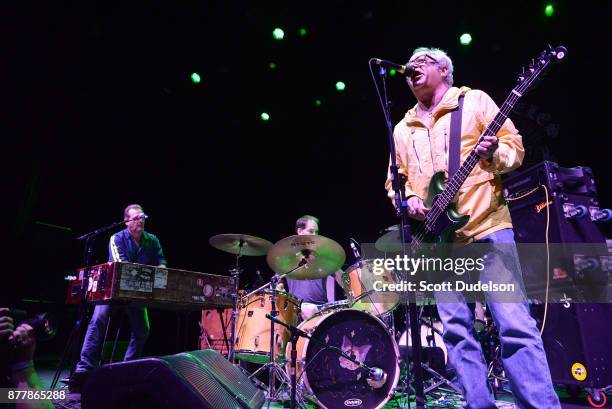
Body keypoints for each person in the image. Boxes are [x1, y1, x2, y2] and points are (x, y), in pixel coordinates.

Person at [385, 47, 560, 408]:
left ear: (444, 69)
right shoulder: (402, 128)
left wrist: (493, 151)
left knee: (515, 326)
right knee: (456, 334)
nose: (413, 66)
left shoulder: (475, 101)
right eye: (410, 63)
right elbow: (394, 179)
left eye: (423, 61)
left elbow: (515, 149)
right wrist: (408, 200)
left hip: (487, 229)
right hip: (438, 243)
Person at [70, 204, 167, 391]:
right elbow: (121, 265)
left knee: (143, 328)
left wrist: (161, 269)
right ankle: (84, 368)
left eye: (142, 217)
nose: (141, 220)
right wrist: (148, 273)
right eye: (136, 217)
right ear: (127, 221)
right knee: (98, 319)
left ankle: (127, 367)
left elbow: (161, 261)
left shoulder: (152, 240)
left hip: (136, 292)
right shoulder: (116, 238)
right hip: (111, 290)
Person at [284, 215, 340, 321]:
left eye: (316, 232)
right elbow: (278, 286)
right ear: (300, 231)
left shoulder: (323, 257)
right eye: (311, 231)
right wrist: (296, 307)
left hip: (322, 311)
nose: (315, 235)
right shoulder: (287, 259)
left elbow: (344, 279)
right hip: (297, 313)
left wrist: (334, 261)